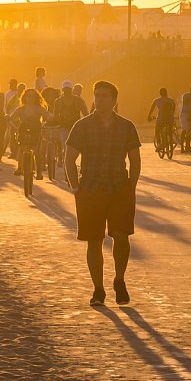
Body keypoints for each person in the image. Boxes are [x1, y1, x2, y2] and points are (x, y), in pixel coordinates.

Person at [64, 81, 141, 307]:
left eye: (105, 96)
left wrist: (131, 186)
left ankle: (119, 279)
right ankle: (98, 289)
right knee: (94, 240)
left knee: (121, 235)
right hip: (91, 189)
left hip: (119, 188)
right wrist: (75, 186)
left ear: (115, 100)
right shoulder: (82, 126)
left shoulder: (126, 126)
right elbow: (69, 157)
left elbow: (134, 159)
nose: (99, 100)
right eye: (97, 96)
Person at [9, 88, 52, 180]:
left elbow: (48, 116)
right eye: (28, 96)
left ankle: (39, 172)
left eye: (32, 96)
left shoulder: (39, 108)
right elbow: (12, 117)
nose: (30, 98)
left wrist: (50, 117)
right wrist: (8, 118)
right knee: (22, 149)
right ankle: (19, 168)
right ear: (24, 97)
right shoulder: (21, 109)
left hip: (36, 131)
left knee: (37, 151)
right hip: (23, 131)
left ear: (36, 98)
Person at [53, 80, 88, 151]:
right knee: (65, 148)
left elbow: (86, 115)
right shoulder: (58, 101)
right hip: (64, 128)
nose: (67, 91)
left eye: (68, 89)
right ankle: (63, 159)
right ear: (63, 90)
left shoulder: (79, 100)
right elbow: (55, 116)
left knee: (75, 149)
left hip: (76, 128)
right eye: (65, 89)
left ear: (71, 89)